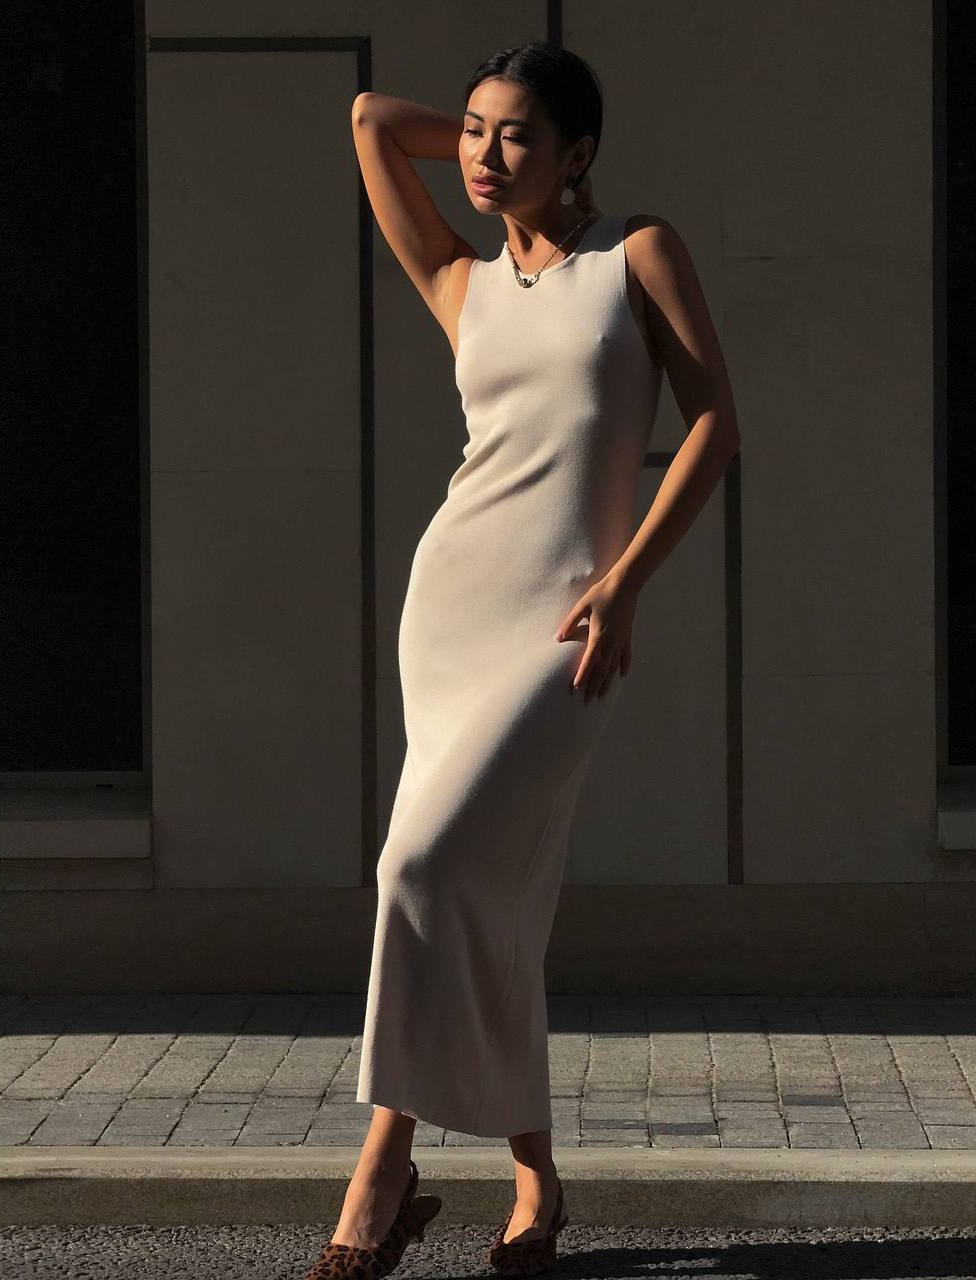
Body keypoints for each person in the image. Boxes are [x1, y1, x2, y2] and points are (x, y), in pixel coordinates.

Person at [303, 40, 740, 1280]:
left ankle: (381, 1167)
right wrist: (495, 136)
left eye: (519, 138)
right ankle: (538, 1179)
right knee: (491, 897)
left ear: (584, 153)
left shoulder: (637, 253)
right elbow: (370, 117)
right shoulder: (460, 279)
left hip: (569, 619)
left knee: (421, 863)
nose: (487, 157)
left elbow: (715, 420)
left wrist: (626, 584)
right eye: (482, 134)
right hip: (451, 607)